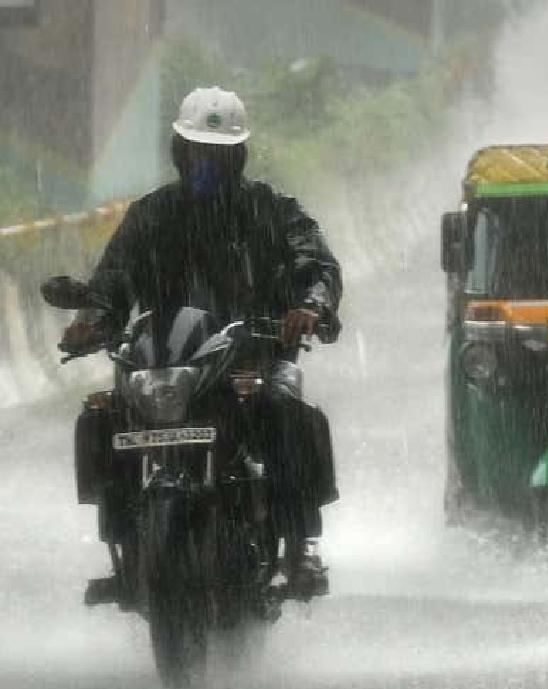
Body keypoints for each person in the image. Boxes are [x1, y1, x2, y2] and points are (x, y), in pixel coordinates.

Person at [61, 87, 343, 597]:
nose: (204, 163)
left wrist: (311, 307)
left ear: (238, 156)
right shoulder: (151, 215)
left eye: (216, 153)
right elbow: (112, 280)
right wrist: (92, 319)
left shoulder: (271, 210)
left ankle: (299, 548)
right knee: (103, 416)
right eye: (195, 151)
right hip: (164, 357)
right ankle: (123, 547)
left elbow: (316, 264)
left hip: (252, 353)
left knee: (287, 413)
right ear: (178, 151)